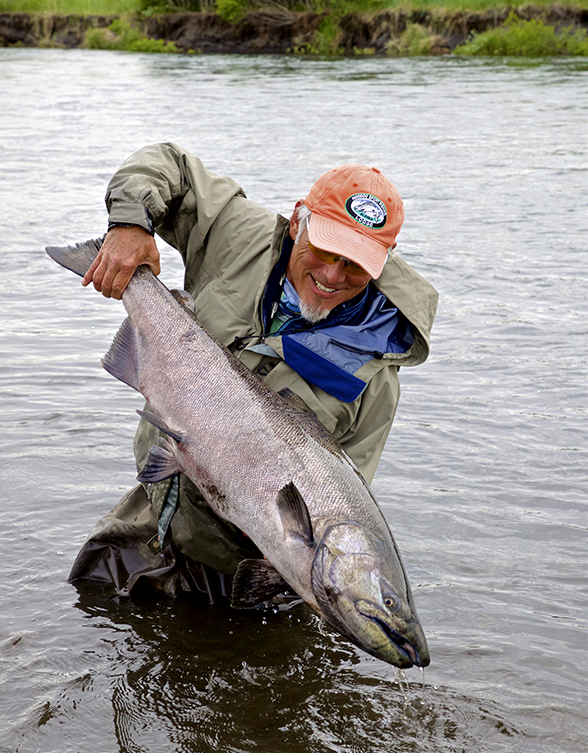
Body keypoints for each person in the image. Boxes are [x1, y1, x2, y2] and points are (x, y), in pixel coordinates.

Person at [68, 143, 438, 603]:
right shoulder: (240, 235)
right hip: (151, 513)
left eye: (356, 265)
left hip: (239, 565)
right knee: (83, 617)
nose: (331, 274)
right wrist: (128, 224)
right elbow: (169, 165)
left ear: (384, 260)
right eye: (324, 249)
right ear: (299, 219)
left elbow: (345, 502)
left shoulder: (376, 380)